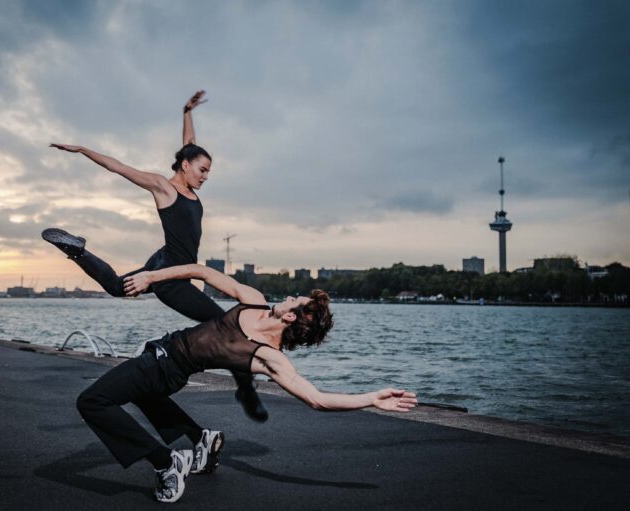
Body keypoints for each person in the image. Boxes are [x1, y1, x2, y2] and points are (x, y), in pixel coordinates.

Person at [76, 262, 418, 503]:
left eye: (295, 299)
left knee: (92, 402)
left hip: (164, 368)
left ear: (290, 316)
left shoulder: (270, 356)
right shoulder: (252, 299)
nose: (289, 296)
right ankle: (200, 438)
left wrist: (372, 398)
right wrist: (152, 276)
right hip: (161, 357)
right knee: (142, 396)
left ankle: (166, 462)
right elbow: (202, 272)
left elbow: (317, 399)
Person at [43, 91, 268, 421]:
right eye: (203, 170)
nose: (206, 176)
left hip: (163, 261)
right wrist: (82, 149)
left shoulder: (188, 183)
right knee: (224, 325)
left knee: (119, 288)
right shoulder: (165, 188)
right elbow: (119, 168)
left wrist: (186, 111)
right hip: (170, 278)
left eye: (209, 172)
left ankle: (78, 251)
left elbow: (189, 142)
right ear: (185, 166)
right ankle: (246, 391)